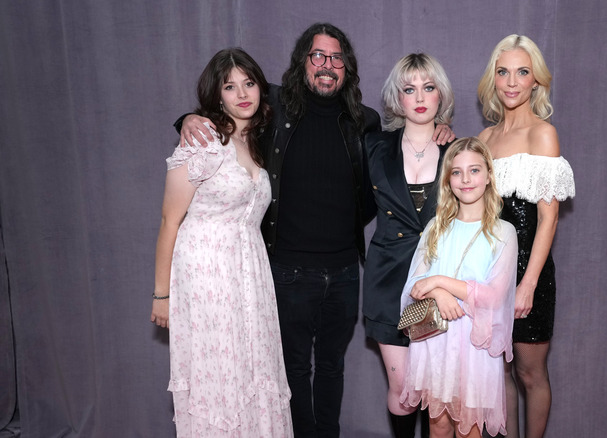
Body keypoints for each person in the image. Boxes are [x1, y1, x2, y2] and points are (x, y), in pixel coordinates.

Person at [175, 24, 452, 438]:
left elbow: (400, 156)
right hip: (287, 270)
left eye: (336, 58)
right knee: (292, 370)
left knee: (331, 368)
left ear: (347, 68)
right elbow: (228, 106)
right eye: (318, 56)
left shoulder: (365, 122)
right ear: (303, 62)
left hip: (343, 271)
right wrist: (190, 118)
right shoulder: (273, 107)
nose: (327, 65)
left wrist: (443, 131)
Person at [151, 47, 293, 437]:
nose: (242, 93)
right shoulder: (200, 142)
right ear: (217, 95)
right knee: (219, 374)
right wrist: (161, 295)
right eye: (230, 87)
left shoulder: (256, 141)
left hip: (250, 276)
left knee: (251, 369)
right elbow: (169, 220)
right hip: (206, 277)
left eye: (249, 83)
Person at [477, 35, 575, 438]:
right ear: (493, 79)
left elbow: (549, 218)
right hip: (487, 275)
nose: (512, 81)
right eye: (503, 72)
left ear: (536, 80)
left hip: (528, 276)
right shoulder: (484, 139)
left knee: (529, 373)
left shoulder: (543, 134)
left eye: (522, 72)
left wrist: (528, 284)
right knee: (496, 375)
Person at [399, 137, 518, 438]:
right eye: (457, 172)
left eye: (475, 170)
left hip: (474, 350)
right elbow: (413, 284)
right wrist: (437, 293)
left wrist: (439, 282)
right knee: (437, 424)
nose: (466, 179)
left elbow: (493, 296)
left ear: (489, 175)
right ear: (448, 179)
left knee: (469, 428)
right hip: (435, 342)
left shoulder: (503, 233)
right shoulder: (436, 227)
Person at [363, 53, 454, 438]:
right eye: (409, 88)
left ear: (440, 95)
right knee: (403, 392)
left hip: (437, 283)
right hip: (387, 279)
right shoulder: (373, 146)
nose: (419, 97)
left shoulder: (458, 151)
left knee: (435, 391)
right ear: (397, 98)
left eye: (428, 87)